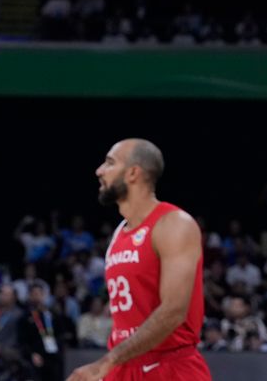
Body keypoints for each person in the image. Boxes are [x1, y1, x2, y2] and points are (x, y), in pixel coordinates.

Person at [67, 139, 211, 381]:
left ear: (133, 173)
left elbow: (173, 312)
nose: (99, 170)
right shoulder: (119, 233)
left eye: (109, 163)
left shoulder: (173, 224)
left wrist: (107, 361)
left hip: (170, 368)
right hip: (124, 366)